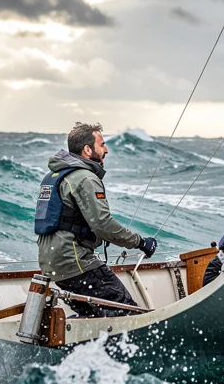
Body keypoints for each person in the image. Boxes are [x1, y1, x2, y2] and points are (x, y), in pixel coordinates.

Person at [35, 122, 158, 316]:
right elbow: (103, 225)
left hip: (53, 265)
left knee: (93, 318)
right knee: (128, 313)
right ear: (87, 149)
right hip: (76, 263)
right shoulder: (85, 178)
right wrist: (140, 242)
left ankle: (87, 344)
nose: (106, 150)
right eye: (101, 144)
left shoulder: (55, 175)